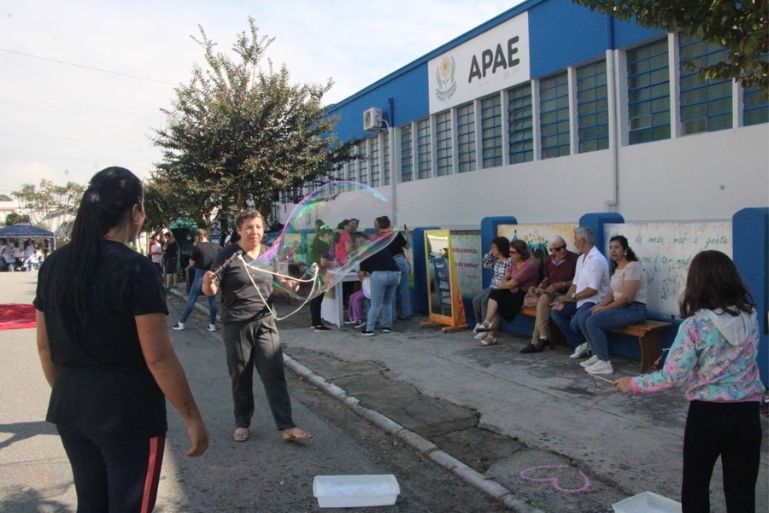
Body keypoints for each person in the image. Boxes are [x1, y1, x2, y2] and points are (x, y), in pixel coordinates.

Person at [33, 166, 208, 513]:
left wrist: (74, 392)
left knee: (92, 503)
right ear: (136, 210)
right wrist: (192, 417)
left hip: (71, 407)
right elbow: (158, 358)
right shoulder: (137, 269)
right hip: (128, 415)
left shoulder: (53, 264)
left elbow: (44, 345)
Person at [615, 250, 764, 513]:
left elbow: (672, 376)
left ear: (697, 283)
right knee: (742, 492)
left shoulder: (695, 326)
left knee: (695, 486)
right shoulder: (751, 316)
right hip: (747, 414)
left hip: (707, 415)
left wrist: (634, 384)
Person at [202, 210, 311, 444]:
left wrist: (290, 284)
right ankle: (242, 422)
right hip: (236, 323)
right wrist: (207, 283)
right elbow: (211, 289)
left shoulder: (269, 253)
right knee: (241, 376)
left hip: (265, 320)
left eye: (259, 227)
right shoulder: (229, 254)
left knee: (275, 373)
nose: (255, 232)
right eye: (249, 227)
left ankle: (287, 426)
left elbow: (279, 280)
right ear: (239, 229)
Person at [580, 235, 648, 375]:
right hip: (621, 308)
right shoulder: (617, 269)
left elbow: (627, 298)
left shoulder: (633, 267)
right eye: (610, 248)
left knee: (593, 321)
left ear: (625, 250)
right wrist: (597, 306)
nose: (613, 251)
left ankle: (604, 363)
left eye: (617, 247)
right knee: (585, 316)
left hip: (634, 309)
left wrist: (604, 309)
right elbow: (610, 295)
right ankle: (597, 355)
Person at [549, 226, 610, 359]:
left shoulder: (596, 260)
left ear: (582, 240)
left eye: (575, 239)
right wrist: (565, 298)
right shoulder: (581, 259)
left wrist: (572, 298)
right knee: (556, 312)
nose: (574, 242)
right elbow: (575, 283)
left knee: (576, 322)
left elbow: (592, 290)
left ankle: (592, 349)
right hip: (579, 300)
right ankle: (580, 344)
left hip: (594, 300)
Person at [474, 239, 539, 346]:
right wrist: (507, 284)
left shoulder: (528, 266)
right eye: (510, 252)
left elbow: (510, 283)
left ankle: (490, 334)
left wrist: (508, 284)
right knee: (495, 294)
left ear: (521, 253)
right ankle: (486, 323)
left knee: (498, 300)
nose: (510, 254)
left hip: (524, 295)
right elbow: (505, 278)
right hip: (513, 291)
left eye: (513, 252)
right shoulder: (514, 263)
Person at [520, 235, 578, 353]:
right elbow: (547, 277)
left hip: (567, 294)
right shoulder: (548, 261)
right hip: (551, 293)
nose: (562, 251)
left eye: (564, 247)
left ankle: (537, 341)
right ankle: (542, 337)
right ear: (551, 250)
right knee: (543, 299)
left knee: (542, 303)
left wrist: (560, 285)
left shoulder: (574, 259)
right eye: (558, 249)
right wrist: (543, 284)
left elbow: (578, 280)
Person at [358, 216, 401, 336]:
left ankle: (369, 329)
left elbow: (362, 272)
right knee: (388, 302)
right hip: (395, 274)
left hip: (380, 275)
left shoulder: (367, 250)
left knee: (375, 303)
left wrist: (362, 272)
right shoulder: (382, 247)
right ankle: (386, 327)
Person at [172, 228, 221, 332]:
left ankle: (181, 323)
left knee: (191, 299)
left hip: (200, 274)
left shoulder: (197, 247)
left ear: (199, 236)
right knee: (212, 300)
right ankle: (212, 325)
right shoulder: (216, 246)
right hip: (212, 275)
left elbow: (191, 263)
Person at [471, 237, 512, 337]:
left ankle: (486, 327)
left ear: (501, 249)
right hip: (492, 287)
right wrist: (491, 253)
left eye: (494, 247)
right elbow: (485, 264)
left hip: (501, 289)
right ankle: (479, 323)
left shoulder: (510, 262)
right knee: (476, 300)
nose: (492, 249)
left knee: (485, 301)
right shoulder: (497, 261)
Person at [308, 224, 334, 332]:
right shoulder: (324, 245)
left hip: (313, 272)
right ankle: (318, 324)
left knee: (314, 299)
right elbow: (323, 263)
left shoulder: (314, 242)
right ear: (326, 235)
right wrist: (333, 263)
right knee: (318, 299)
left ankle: (315, 322)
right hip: (320, 274)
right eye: (330, 236)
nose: (331, 238)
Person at [385, 221, 412, 320]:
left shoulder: (382, 237)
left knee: (391, 290)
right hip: (401, 261)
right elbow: (407, 246)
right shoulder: (396, 234)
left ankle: (391, 316)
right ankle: (405, 313)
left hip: (390, 262)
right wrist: (407, 235)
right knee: (403, 288)